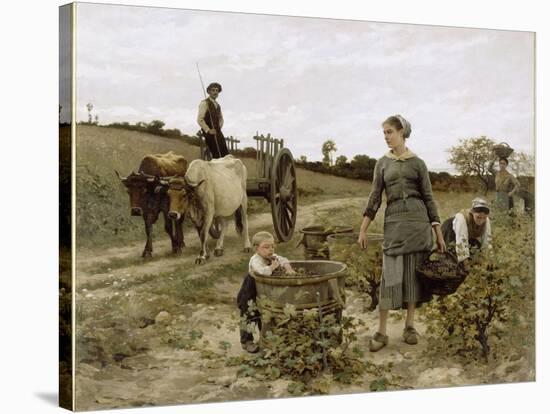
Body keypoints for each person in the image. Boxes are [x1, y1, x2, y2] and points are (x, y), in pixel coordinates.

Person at [357, 115, 446, 352]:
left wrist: (438, 233)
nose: (386, 137)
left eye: (389, 132)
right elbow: (375, 198)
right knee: (390, 277)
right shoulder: (382, 164)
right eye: (384, 133)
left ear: (402, 133)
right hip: (394, 224)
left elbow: (428, 198)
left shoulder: (418, 163)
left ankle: (409, 326)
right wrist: (363, 228)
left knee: (413, 277)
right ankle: (382, 331)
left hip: (418, 225)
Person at [236, 231, 296, 353]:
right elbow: (261, 272)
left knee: (263, 314)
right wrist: (272, 268)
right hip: (249, 291)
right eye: (266, 247)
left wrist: (288, 268)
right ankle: (246, 341)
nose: (270, 250)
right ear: (256, 249)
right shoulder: (255, 260)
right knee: (249, 315)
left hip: (261, 291)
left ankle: (265, 339)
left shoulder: (271, 256)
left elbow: (283, 259)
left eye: (272, 246)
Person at [441, 197, 492, 266]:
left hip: (468, 234)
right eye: (478, 217)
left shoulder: (486, 220)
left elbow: (487, 241)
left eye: (484, 218)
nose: (481, 221)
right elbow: (461, 241)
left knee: (475, 249)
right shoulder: (462, 218)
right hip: (450, 230)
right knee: (451, 255)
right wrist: (466, 265)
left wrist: (487, 261)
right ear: (472, 212)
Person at [197, 82, 229, 158]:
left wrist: (218, 127)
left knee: (225, 154)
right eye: (213, 90)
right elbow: (200, 119)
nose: (215, 92)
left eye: (217, 91)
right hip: (209, 133)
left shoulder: (218, 105)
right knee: (216, 154)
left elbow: (221, 118)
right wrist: (208, 130)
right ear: (209, 91)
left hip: (217, 132)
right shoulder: (204, 103)